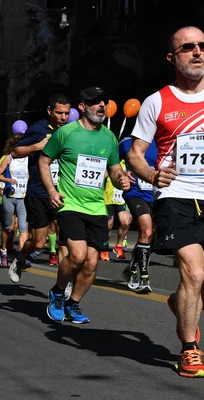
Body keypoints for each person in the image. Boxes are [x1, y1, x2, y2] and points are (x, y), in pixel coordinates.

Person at [127, 26, 204, 377]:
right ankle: (189, 348)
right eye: (188, 47)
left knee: (197, 283)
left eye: (202, 46)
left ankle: (178, 303)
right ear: (173, 58)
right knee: (194, 272)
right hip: (177, 196)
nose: (198, 52)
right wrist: (152, 176)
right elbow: (136, 154)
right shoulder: (157, 101)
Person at [39, 86, 130, 324]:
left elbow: (114, 169)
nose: (101, 106)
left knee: (91, 264)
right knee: (77, 256)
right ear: (82, 107)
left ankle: (73, 303)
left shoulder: (109, 137)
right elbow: (44, 160)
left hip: (97, 208)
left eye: (104, 102)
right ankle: (58, 292)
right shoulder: (66, 133)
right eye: (95, 102)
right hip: (70, 204)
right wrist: (51, 191)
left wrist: (121, 179)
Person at [8, 93, 71, 282]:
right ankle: (20, 258)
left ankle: (63, 284)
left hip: (63, 193)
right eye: (59, 113)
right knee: (39, 241)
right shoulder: (38, 129)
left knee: (64, 240)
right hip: (38, 192)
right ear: (50, 110)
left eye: (67, 113)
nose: (63, 117)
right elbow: (15, 151)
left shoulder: (70, 131)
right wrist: (37, 146)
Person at [118, 137, 157, 292]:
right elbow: (111, 164)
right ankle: (143, 277)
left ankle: (131, 268)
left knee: (152, 235)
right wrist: (122, 173)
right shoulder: (127, 142)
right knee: (146, 230)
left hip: (157, 194)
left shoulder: (163, 139)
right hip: (135, 193)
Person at [0, 134, 29, 268]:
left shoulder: (28, 159)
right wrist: (7, 180)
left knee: (23, 227)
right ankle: (3, 252)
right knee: (8, 228)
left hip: (23, 197)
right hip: (10, 196)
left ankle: (22, 256)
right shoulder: (8, 159)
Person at [101, 171, 131, 261]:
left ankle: (119, 246)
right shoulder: (110, 162)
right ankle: (104, 248)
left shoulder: (127, 163)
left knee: (126, 222)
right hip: (108, 198)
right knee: (108, 225)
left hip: (122, 198)